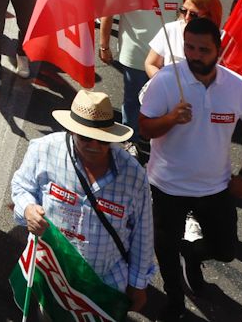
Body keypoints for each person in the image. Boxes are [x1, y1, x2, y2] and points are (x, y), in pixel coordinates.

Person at [137, 16, 242, 321]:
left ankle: (192, 256)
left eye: (203, 49)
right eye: (189, 48)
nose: (195, 55)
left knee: (225, 250)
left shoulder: (235, 85)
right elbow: (144, 129)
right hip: (167, 187)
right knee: (165, 250)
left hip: (216, 187)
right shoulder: (166, 81)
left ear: (218, 50)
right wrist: (170, 119)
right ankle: (175, 299)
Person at [10, 90, 155, 315]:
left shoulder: (134, 176)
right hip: (52, 277)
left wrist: (138, 284)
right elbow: (21, 187)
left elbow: (142, 234)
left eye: (103, 139)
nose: (94, 146)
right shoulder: (43, 150)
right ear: (72, 130)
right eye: (86, 137)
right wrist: (27, 209)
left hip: (103, 286)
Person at [99, 0, 184, 145]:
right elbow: (108, 13)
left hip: (165, 59)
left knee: (162, 101)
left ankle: (152, 136)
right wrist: (104, 46)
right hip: (135, 56)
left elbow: (182, 14)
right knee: (133, 101)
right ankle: (131, 140)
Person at [143, 0, 224, 77]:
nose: (186, 17)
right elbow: (151, 64)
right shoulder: (170, 29)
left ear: (210, 16)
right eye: (183, 10)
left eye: (193, 14)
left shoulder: (223, 39)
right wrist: (165, 84)